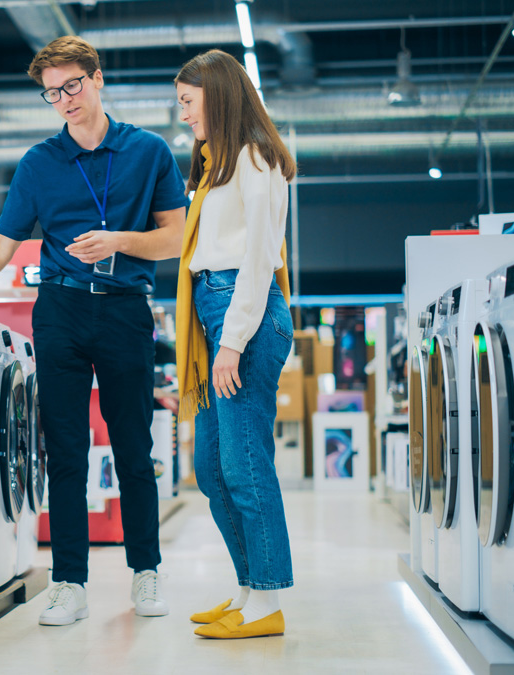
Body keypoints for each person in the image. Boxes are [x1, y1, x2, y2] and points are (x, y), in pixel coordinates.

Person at [0, 35, 189, 626]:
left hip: (124, 307)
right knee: (63, 450)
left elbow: (177, 236)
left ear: (96, 77)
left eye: (72, 85)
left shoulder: (148, 151)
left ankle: (146, 573)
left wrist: (119, 241)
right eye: (51, 92)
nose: (64, 99)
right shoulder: (40, 163)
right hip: (59, 312)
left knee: (133, 448)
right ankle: (69, 581)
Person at [172, 49, 297, 639]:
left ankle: (268, 602)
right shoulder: (214, 163)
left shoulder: (255, 157)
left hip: (242, 317)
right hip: (216, 313)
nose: (185, 117)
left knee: (245, 466)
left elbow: (256, 260)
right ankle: (248, 589)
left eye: (189, 104)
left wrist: (231, 341)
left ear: (217, 97)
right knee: (212, 467)